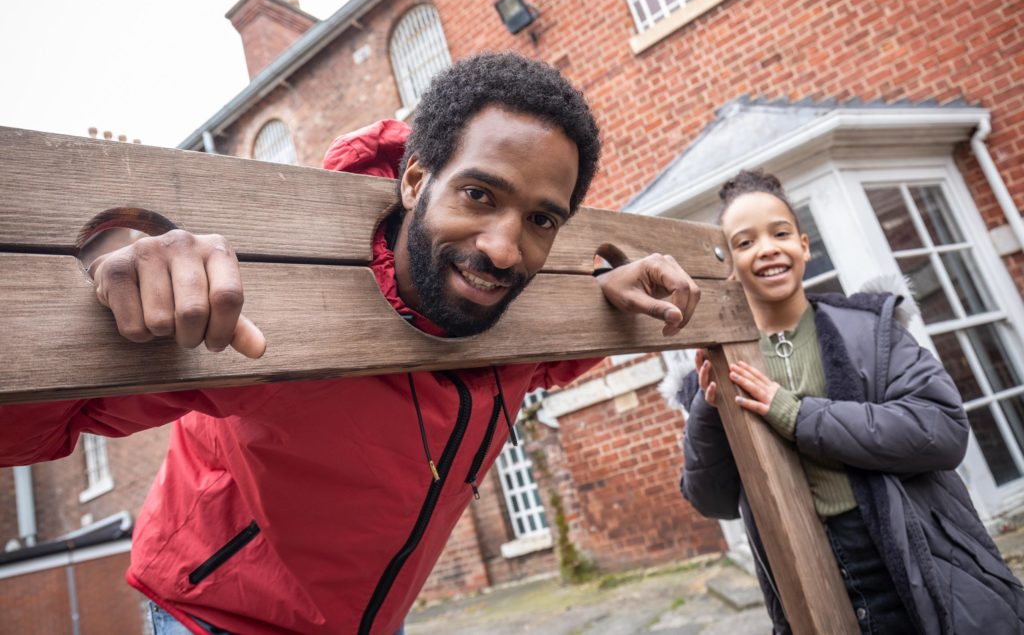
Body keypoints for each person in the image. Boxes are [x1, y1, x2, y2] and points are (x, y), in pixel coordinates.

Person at [0, 53, 700, 635]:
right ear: (417, 179)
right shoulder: (267, 307)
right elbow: (38, 425)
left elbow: (540, 358)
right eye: (480, 195)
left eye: (542, 219)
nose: (503, 249)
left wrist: (608, 286)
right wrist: (98, 279)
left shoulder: (504, 315)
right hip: (217, 615)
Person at [672, 169, 1024, 634]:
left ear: (804, 245)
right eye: (745, 242)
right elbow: (713, 499)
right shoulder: (720, 364)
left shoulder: (870, 329)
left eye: (780, 234)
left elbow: (942, 430)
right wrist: (707, 412)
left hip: (914, 552)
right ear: (731, 266)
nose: (768, 248)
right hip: (808, 571)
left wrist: (796, 415)